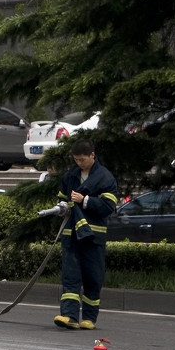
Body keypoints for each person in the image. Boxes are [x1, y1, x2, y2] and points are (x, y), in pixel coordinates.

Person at [53, 139, 120, 331]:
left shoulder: (105, 177)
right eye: (76, 160)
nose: (79, 163)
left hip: (93, 236)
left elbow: (108, 207)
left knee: (93, 276)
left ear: (92, 155)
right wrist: (62, 207)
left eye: (82, 160)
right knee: (70, 275)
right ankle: (69, 316)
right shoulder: (70, 176)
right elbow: (61, 198)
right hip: (71, 234)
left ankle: (89, 317)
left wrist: (85, 200)